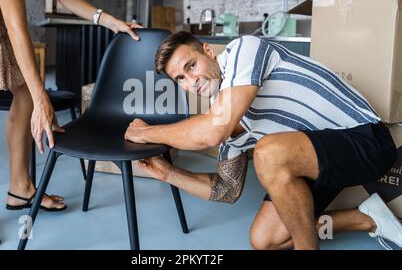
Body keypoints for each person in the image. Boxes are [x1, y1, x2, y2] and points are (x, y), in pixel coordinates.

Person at [125, 31, 402, 250]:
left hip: (366, 141)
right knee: (265, 240)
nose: (191, 81)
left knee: (268, 152)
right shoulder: (225, 115)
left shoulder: (244, 50)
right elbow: (226, 190)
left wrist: (146, 133)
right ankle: (366, 218)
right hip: (314, 161)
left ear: (209, 51)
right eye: (181, 79)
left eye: (191, 66)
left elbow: (212, 131)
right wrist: (169, 173)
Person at [0, 0, 140, 249]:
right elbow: (17, 27)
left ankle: (20, 188)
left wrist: (110, 21)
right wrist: (44, 100)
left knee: (25, 95)